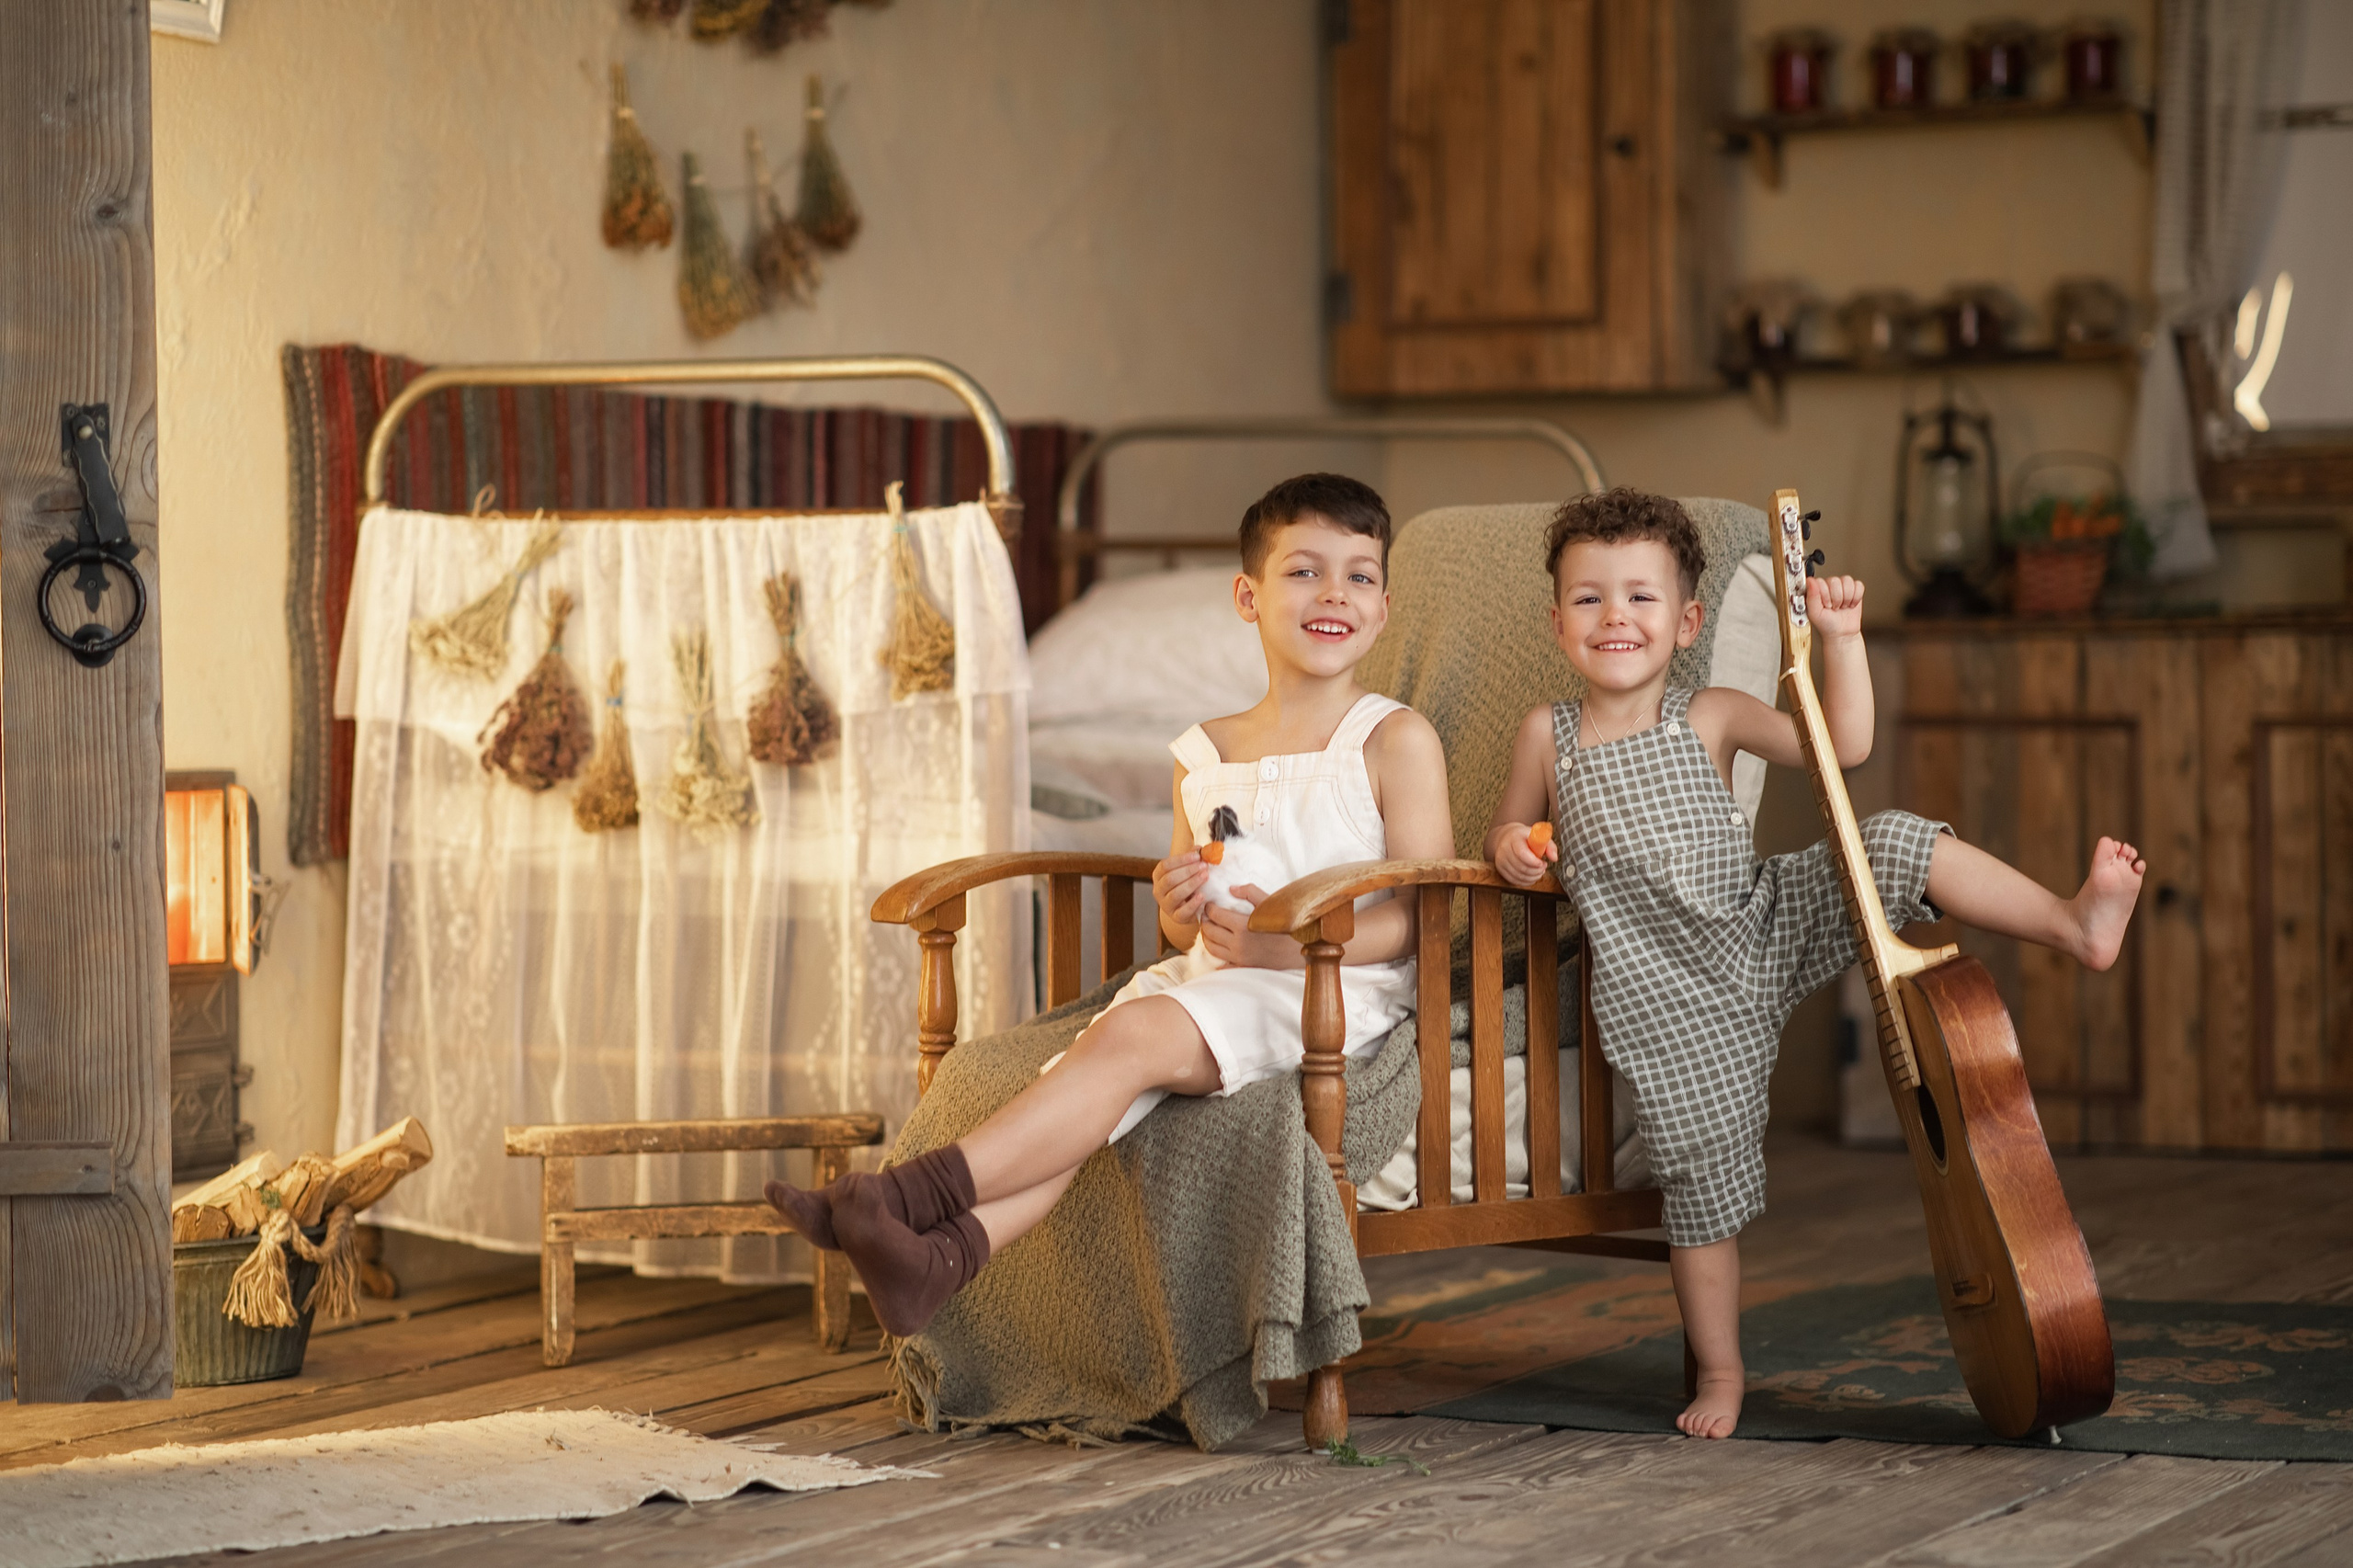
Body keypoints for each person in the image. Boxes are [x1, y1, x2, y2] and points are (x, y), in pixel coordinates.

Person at [1483, 489, 2145, 1441]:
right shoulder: (1547, 735)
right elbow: (1508, 827)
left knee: (1889, 838)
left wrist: (1842, 640)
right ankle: (1722, 1370)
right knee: (1701, 1191)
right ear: (1557, 622)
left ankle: (2073, 922)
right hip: (1672, 1009)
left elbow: (1843, 749)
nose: (1614, 616)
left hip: (1760, 924)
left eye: (1640, 597)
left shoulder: (1709, 714)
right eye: (1589, 599)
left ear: (1687, 623)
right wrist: (1513, 847)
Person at [766, 472, 1455, 1338]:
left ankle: (898, 1198)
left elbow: (1423, 919)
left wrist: (1289, 949)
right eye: (1304, 571)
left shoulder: (1394, 738)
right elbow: (1180, 924)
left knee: (1125, 1038)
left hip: (1332, 992)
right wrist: (1177, 905)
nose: (1335, 594)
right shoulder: (1204, 752)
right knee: (1087, 1089)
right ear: (1248, 597)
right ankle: (938, 1262)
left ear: (1384, 609)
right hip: (1216, 982)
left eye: (1359, 576)